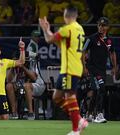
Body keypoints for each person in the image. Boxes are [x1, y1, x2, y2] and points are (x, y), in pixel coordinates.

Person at [39, 6, 88, 135]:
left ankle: (75, 130)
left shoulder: (67, 29)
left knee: (69, 96)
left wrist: (46, 29)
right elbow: (61, 44)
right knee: (56, 97)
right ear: (76, 16)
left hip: (70, 69)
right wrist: (49, 31)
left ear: (65, 16)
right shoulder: (80, 29)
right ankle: (79, 119)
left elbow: (49, 39)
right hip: (70, 68)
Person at [82, 17, 117, 123]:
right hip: (92, 69)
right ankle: (99, 114)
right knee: (101, 88)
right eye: (100, 25)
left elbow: (112, 53)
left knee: (97, 91)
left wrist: (114, 66)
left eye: (104, 25)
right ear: (98, 26)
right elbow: (83, 52)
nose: (101, 28)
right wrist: (84, 67)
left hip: (102, 70)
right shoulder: (91, 38)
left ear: (107, 27)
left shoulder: (109, 40)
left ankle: (89, 114)